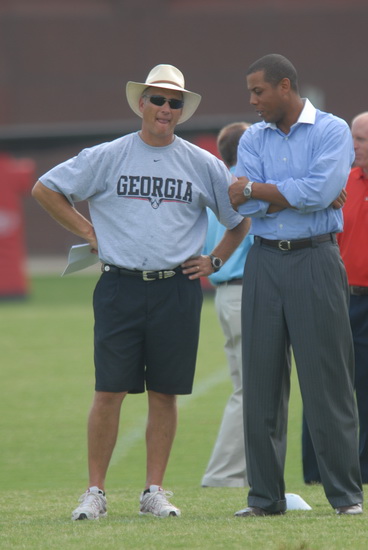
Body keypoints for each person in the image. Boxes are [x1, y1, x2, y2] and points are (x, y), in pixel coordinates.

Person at [32, 64, 248, 520]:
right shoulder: (108, 155)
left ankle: (154, 490)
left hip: (177, 288)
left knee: (165, 393)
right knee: (108, 390)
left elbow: (238, 220)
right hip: (119, 285)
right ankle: (95, 492)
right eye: (157, 99)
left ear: (182, 111)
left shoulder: (202, 162)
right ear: (140, 104)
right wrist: (88, 230)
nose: (165, 109)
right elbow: (46, 188)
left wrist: (214, 261)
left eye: (174, 102)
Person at [228, 53, 363, 517]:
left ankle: (345, 496)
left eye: (258, 91)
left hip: (316, 260)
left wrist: (259, 189)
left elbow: (320, 193)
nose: (252, 100)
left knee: (327, 382)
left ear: (285, 86)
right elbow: (238, 201)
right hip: (263, 264)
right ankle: (264, 499)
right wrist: (274, 193)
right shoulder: (254, 137)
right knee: (261, 382)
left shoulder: (331, 129)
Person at [302, 111, 368, 485]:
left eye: (360, 140)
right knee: (324, 384)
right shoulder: (340, 183)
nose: (353, 147)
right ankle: (316, 473)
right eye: (352, 139)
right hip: (340, 298)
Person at [201, 122, 253, 488]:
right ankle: (224, 474)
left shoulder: (216, 190)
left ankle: (242, 471)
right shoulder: (243, 191)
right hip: (244, 291)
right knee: (250, 388)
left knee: (244, 385)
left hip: (224, 294)